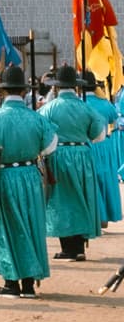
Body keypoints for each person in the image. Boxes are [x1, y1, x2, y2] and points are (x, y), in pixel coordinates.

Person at [0, 64, 54, 298]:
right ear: (23, 92)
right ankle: (29, 283)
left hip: (3, 175)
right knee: (32, 225)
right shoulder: (37, 118)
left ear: (2, 92)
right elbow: (50, 146)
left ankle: (11, 281)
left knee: (5, 228)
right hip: (31, 175)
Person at [40, 64, 104, 260]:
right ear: (76, 87)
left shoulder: (48, 108)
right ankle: (79, 246)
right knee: (82, 198)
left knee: (61, 200)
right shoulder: (86, 108)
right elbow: (99, 134)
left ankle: (68, 247)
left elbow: (43, 135)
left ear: (57, 87)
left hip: (59, 155)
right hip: (82, 155)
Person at [80, 70, 121, 230]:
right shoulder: (105, 102)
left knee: (91, 180)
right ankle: (106, 216)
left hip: (88, 144)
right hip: (105, 145)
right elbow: (112, 118)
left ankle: (97, 215)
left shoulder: (81, 103)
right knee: (106, 178)